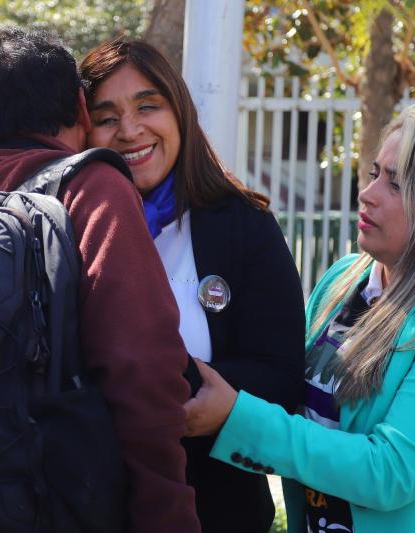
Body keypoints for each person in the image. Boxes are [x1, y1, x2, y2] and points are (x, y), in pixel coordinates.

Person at [185, 107, 415, 532]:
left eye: (396, 183)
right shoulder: (346, 278)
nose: (368, 193)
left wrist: (235, 417)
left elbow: (391, 472)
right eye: (375, 173)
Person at [0, 27, 199, 532]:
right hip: (49, 503)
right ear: (79, 106)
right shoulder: (90, 187)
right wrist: (167, 512)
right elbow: (141, 363)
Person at [80, 37, 305, 533]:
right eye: (108, 115)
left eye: (148, 106)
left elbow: (283, 373)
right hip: (91, 504)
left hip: (218, 508)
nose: (131, 130)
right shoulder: (63, 230)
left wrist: (201, 401)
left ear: (179, 110)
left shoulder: (245, 225)